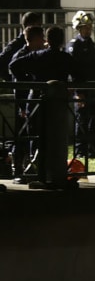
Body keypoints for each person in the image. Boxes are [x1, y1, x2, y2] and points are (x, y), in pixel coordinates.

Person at [8, 24, 45, 182]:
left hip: (33, 101)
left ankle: (29, 166)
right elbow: (15, 75)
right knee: (22, 136)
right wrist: (22, 105)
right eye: (41, 38)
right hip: (24, 101)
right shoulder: (21, 55)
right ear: (35, 39)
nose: (43, 41)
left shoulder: (37, 54)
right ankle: (19, 167)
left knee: (31, 134)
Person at [66, 11, 95, 159]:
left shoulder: (91, 45)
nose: (88, 29)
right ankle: (80, 151)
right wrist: (78, 92)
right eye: (85, 27)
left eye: (90, 27)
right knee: (81, 121)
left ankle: (92, 150)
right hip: (81, 91)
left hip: (93, 89)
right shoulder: (74, 46)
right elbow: (72, 71)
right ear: (79, 28)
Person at [0, 11, 42, 81]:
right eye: (38, 25)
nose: (40, 28)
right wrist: (11, 79)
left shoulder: (38, 42)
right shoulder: (17, 44)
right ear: (30, 25)